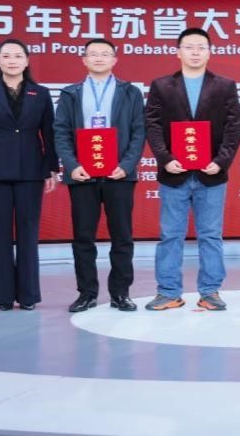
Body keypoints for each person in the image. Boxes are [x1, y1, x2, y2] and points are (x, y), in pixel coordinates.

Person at [143, 27, 240, 311]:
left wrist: (221, 161)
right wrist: (165, 158)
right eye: (189, 47)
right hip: (173, 173)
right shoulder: (162, 85)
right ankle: (168, 292)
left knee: (210, 235)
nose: (195, 52)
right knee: (170, 235)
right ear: (178, 52)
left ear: (209, 52)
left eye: (201, 47)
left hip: (212, 174)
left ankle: (210, 292)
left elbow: (234, 127)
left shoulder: (224, 85)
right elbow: (152, 125)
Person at [0, 39, 58, 311]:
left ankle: (28, 296)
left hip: (31, 170)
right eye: (6, 56)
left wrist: (52, 169)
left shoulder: (40, 93)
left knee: (29, 232)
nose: (12, 61)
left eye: (18, 56)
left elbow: (49, 133)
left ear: (27, 61)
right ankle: (3, 296)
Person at [54, 39, 145, 313]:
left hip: (119, 174)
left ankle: (121, 293)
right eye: (93, 54)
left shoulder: (130, 92)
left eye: (105, 54)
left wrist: (126, 165)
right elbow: (61, 132)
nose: (99, 58)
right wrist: (72, 165)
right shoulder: (71, 93)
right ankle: (87, 293)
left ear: (115, 59)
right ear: (83, 60)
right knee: (83, 237)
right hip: (82, 175)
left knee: (122, 237)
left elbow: (139, 131)